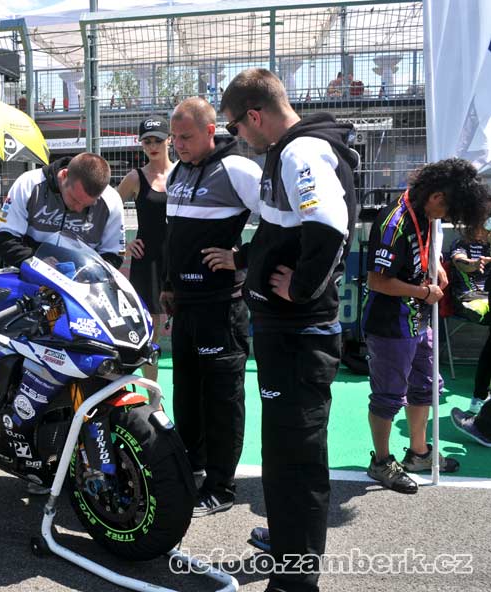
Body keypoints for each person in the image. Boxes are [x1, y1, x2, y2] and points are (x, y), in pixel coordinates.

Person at [219, 68, 359, 592]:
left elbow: (329, 228)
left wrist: (299, 289)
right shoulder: (290, 150)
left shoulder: (302, 151)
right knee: (282, 451)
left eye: (234, 126)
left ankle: (295, 579)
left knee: (296, 458)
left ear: (254, 116)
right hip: (287, 332)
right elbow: (283, 230)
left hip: (300, 334)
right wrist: (244, 261)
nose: (236, 137)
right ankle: (287, 544)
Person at [159, 98, 262, 518]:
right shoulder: (178, 171)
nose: (178, 145)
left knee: (221, 400)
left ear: (209, 131)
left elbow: (282, 219)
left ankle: (221, 487)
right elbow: (175, 237)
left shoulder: (239, 169)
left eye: (185, 137)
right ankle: (193, 469)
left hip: (221, 307)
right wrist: (169, 285)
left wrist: (240, 258)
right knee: (186, 395)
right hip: (185, 305)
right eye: (174, 137)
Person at [363, 159, 490, 494]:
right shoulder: (394, 222)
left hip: (420, 318)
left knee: (427, 386)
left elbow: (423, 251)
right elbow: (377, 281)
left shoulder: (424, 213)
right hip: (390, 323)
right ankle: (381, 461)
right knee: (389, 396)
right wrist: (423, 292)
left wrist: (438, 265)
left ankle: (419, 454)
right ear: (436, 197)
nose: (445, 218)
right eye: (447, 211)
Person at [0, 152, 125, 270]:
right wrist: (36, 262)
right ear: (64, 175)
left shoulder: (111, 201)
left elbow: (114, 255)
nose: (78, 209)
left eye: (88, 205)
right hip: (27, 271)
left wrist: (86, 273)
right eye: (75, 199)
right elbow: (2, 238)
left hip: (82, 282)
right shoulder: (28, 184)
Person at [117, 116, 172, 383]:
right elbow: (106, 211)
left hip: (179, 257)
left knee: (188, 323)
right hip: (147, 260)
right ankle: (153, 394)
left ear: (169, 140)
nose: (152, 146)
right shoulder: (135, 178)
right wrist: (122, 245)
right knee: (150, 329)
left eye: (158, 140)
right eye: (147, 141)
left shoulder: (183, 173)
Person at [448, 223, 491, 414]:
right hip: (468, 298)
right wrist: (473, 264)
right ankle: (480, 398)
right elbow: (459, 261)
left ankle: (479, 398)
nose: (484, 230)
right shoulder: (461, 243)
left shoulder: (489, 243)